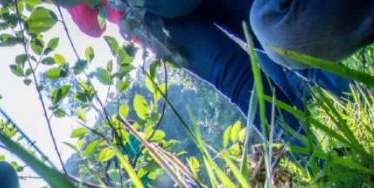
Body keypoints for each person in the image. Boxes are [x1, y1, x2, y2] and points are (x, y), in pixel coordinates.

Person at [61, 0, 351, 135]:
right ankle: (323, 158)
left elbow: (91, 25)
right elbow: (92, 25)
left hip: (155, 20)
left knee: (257, 61)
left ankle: (325, 154)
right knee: (256, 58)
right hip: (157, 22)